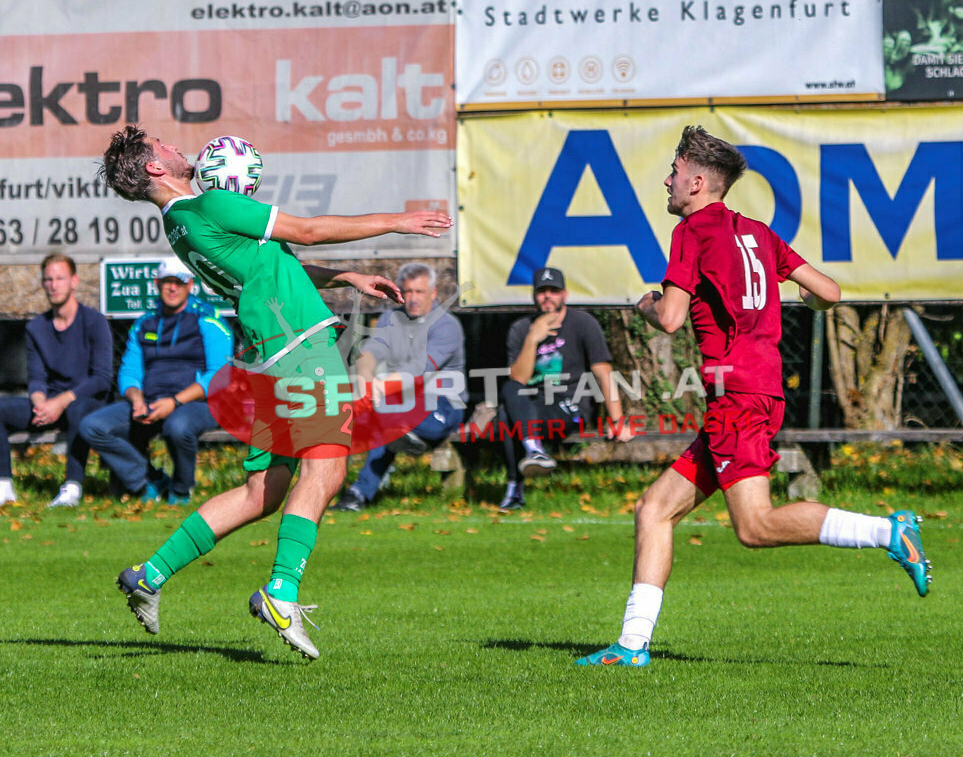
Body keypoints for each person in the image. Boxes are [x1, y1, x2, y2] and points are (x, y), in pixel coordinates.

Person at [576, 126, 932, 668]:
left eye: (673, 171)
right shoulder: (758, 233)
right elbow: (829, 293)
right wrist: (805, 305)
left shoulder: (693, 231)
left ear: (697, 181)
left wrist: (646, 303)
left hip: (736, 398)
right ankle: (630, 646)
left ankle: (887, 531)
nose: (666, 181)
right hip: (756, 393)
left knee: (755, 526)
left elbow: (670, 319)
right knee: (654, 510)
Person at [100, 124, 452, 660]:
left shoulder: (183, 225)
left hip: (269, 356)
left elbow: (273, 267)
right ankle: (282, 592)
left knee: (264, 488)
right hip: (300, 349)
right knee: (328, 468)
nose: (177, 147)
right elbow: (306, 231)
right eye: (165, 148)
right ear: (154, 167)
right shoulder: (212, 205)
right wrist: (399, 222)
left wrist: (347, 276)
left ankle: (149, 575)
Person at [79, 257, 233, 505]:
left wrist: (174, 402)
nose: (173, 288)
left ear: (190, 285)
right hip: (150, 401)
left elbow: (220, 374)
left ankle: (181, 490)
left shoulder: (209, 318)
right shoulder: (144, 323)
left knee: (178, 427)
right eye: (167, 282)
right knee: (92, 426)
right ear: (157, 283)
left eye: (179, 283)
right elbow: (129, 370)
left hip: (200, 403)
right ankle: (149, 481)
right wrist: (136, 398)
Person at [334, 262, 466, 512]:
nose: (413, 299)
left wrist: (377, 389)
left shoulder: (447, 325)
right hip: (398, 401)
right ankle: (350, 491)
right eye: (408, 292)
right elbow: (370, 353)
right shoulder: (390, 318)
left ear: (433, 293)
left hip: (442, 403)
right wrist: (364, 379)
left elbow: (419, 369)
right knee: (344, 419)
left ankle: (361, 490)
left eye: (420, 292)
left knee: (386, 418)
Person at [499, 266, 633, 511]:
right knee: (509, 391)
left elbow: (603, 373)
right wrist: (533, 338)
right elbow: (519, 378)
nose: (547, 296)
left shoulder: (583, 323)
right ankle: (534, 451)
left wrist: (617, 419)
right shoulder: (521, 329)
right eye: (542, 291)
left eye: (554, 291)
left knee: (508, 415)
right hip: (533, 404)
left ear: (565, 295)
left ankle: (515, 486)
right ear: (534, 296)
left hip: (570, 404)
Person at [0, 254, 113, 509]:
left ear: (74, 281)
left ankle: (72, 487)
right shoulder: (37, 327)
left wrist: (60, 402)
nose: (53, 285)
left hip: (87, 404)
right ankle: (4, 488)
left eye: (60, 278)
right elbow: (37, 377)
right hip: (49, 405)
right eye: (48, 279)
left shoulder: (95, 321)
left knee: (76, 410)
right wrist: (40, 403)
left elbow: (102, 379)